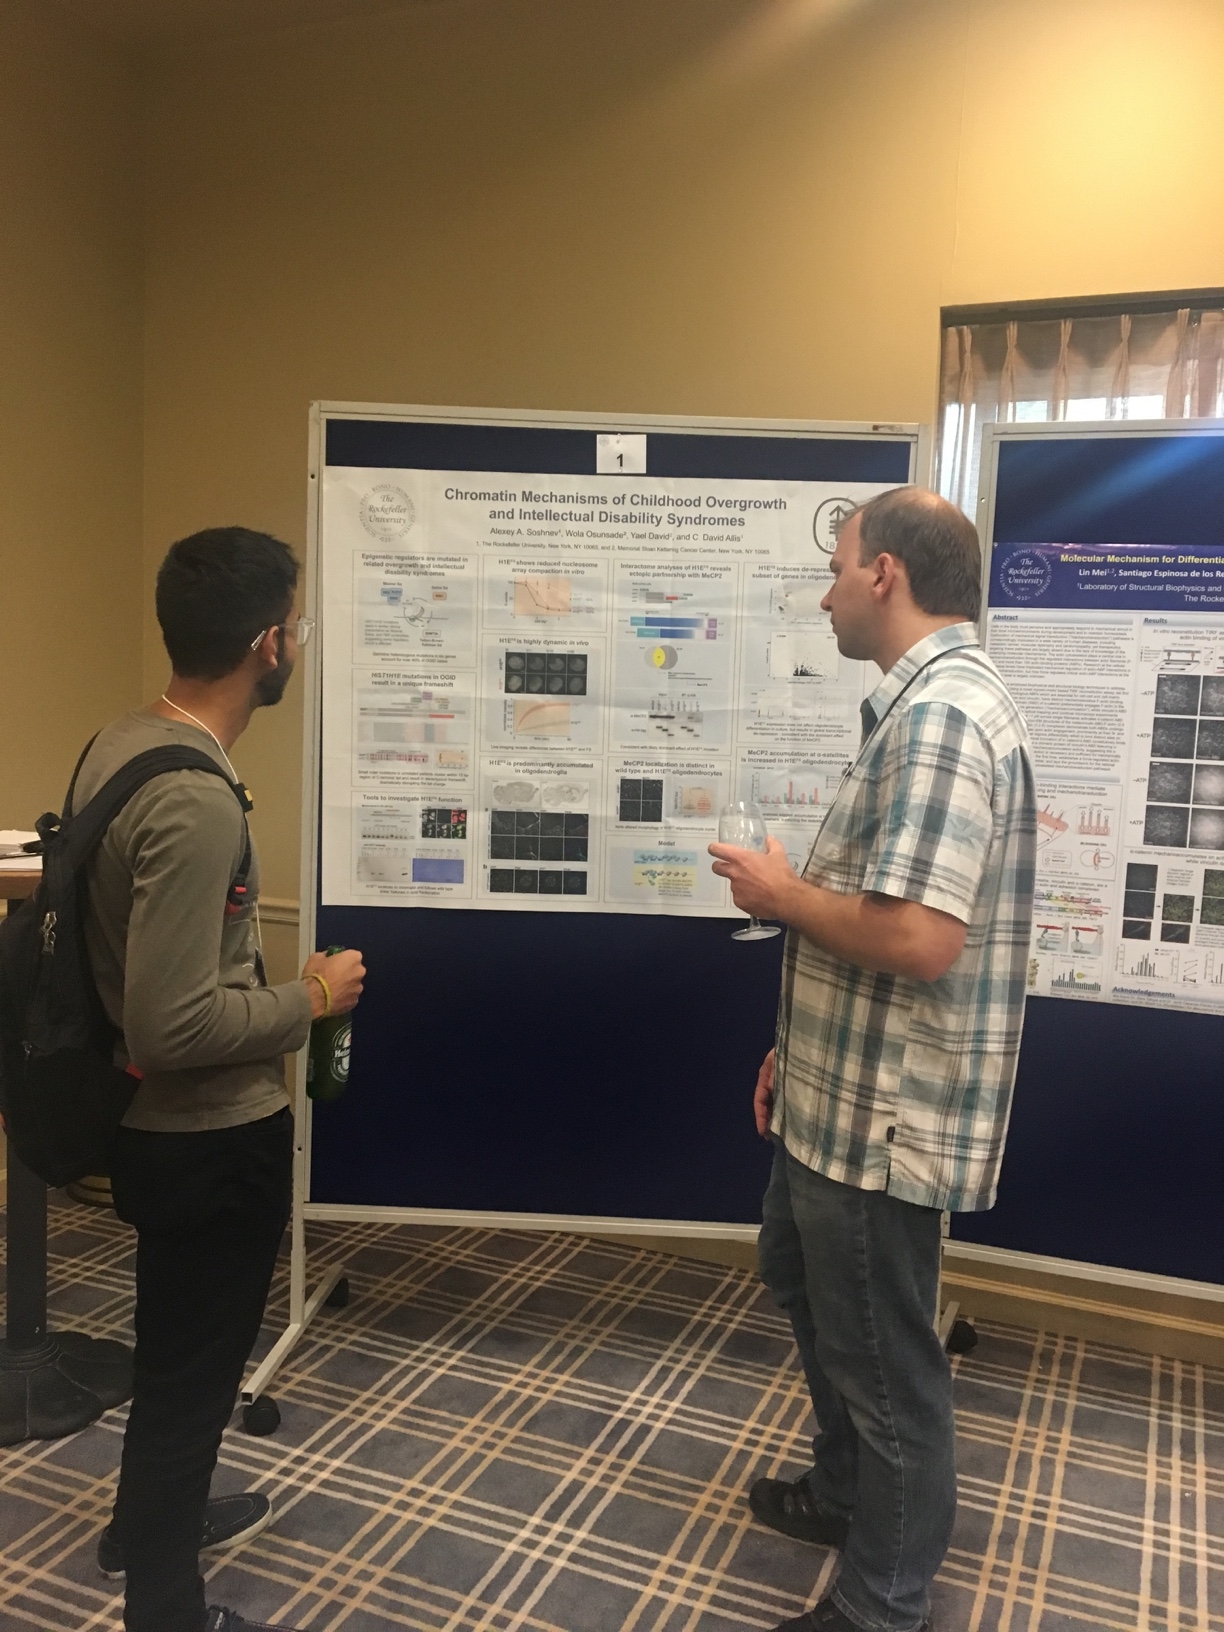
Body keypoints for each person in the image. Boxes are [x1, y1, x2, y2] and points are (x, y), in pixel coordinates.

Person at [709, 488, 1036, 1632]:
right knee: (805, 1282)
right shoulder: (926, 706)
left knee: (886, 1366)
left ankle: (882, 1604)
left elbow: (918, 940)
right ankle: (847, 1492)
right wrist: (791, 1047)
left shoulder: (942, 718)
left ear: (885, 574)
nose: (826, 596)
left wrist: (778, 894)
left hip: (881, 1119)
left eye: (838, 570)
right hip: (836, 1086)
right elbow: (883, 920)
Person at [71, 527, 366, 1632]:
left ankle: (148, 1522)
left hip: (145, 1124)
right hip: (205, 1138)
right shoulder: (194, 799)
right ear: (266, 644)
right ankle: (167, 1606)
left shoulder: (122, 742)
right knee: (194, 1382)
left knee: (175, 1355)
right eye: (295, 624)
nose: (297, 642)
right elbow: (175, 1021)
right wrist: (313, 998)